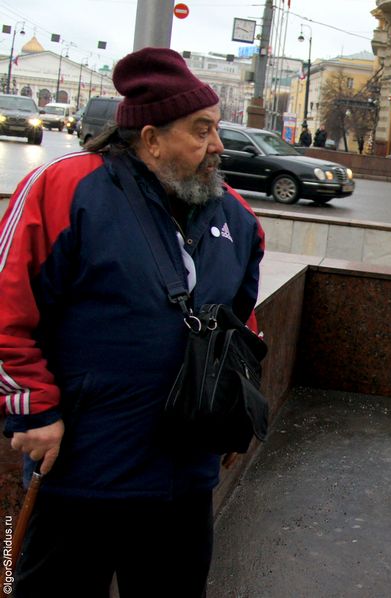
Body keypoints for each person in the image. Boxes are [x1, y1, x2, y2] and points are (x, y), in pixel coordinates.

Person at [0, 47, 265, 597]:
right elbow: (6, 308)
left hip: (183, 487)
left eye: (216, 129)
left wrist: (239, 406)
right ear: (150, 139)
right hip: (82, 470)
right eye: (201, 131)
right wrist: (35, 408)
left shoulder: (238, 219)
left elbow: (243, 326)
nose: (217, 146)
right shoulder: (64, 190)